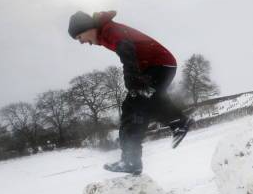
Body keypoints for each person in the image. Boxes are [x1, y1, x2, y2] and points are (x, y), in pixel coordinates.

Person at [68, 10, 191, 175]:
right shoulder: (105, 32)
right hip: (159, 65)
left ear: (85, 28)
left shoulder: (108, 30)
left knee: (134, 108)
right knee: (143, 104)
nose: (82, 42)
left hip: (159, 66)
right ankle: (178, 123)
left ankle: (131, 160)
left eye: (79, 38)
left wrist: (131, 78)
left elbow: (126, 48)